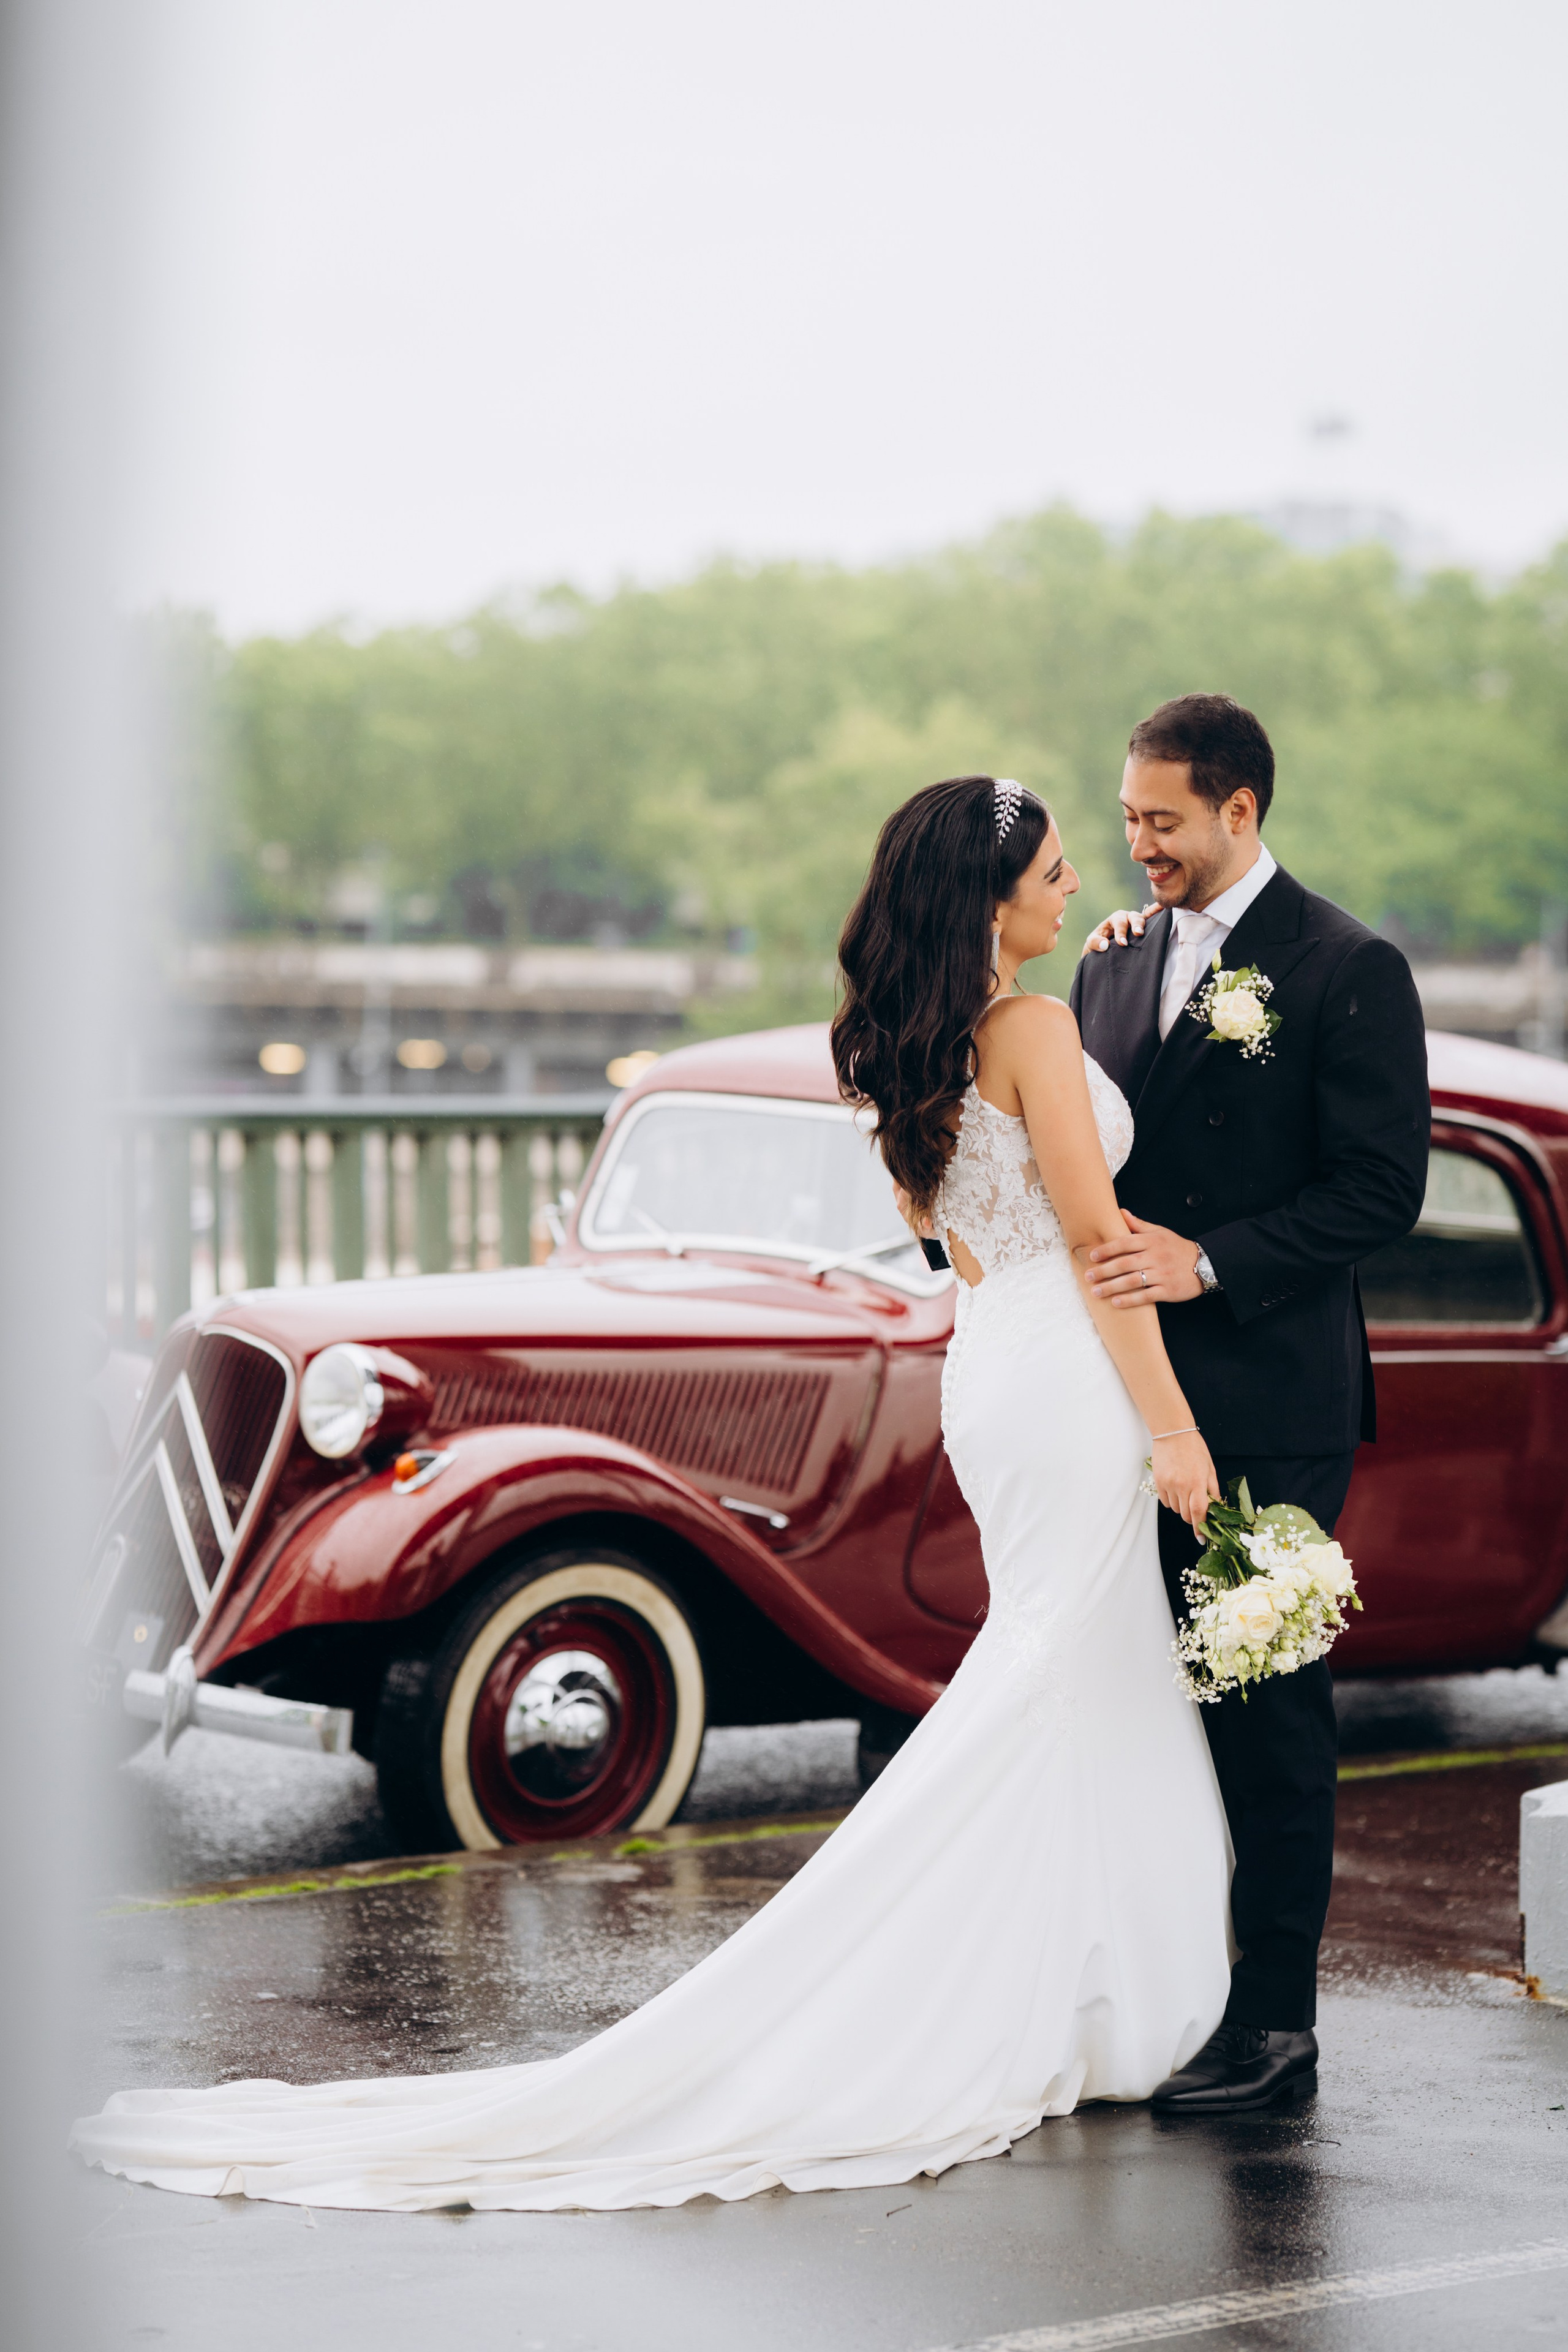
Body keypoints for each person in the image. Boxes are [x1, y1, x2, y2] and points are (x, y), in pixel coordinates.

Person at [72, 774, 1236, 2213]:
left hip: (990, 1362)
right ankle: (1045, 1986)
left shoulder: (904, 1045)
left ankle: (1064, 1975)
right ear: (991, 902)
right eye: (1054, 870)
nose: (1074, 885)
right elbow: (1094, 1240)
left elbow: (949, 1242)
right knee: (1062, 1673)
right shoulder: (1034, 1028)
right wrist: (1173, 1430)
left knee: (1051, 1665)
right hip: (1066, 1375)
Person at [1071, 693, 1428, 2113]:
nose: (1137, 846)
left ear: (1239, 810)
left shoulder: (1348, 967)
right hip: (1122, 1403)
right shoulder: (1111, 963)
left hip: (1270, 1411)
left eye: (1161, 821)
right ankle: (1153, 1989)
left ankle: (1275, 2026)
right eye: (1125, 821)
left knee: (1266, 1709)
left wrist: (1206, 1261)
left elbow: (1376, 1192)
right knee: (1136, 1708)